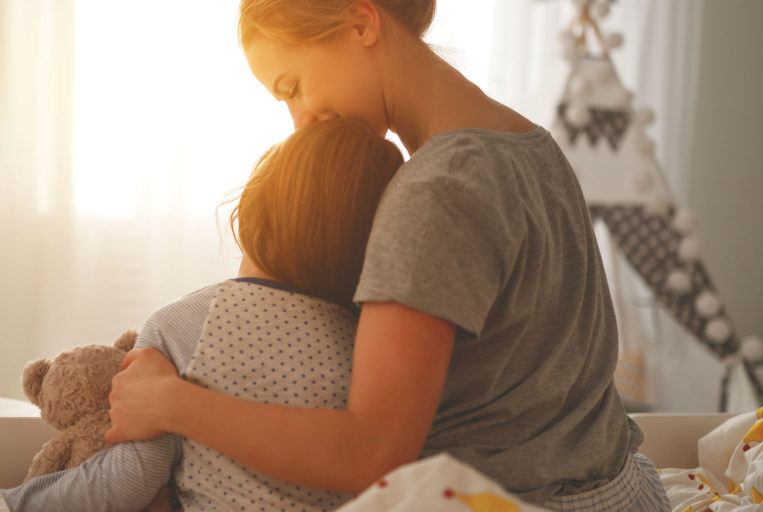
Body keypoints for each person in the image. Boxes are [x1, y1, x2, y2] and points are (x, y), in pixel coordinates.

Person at [103, 1, 671, 511]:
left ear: (360, 22)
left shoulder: (435, 190)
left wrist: (170, 402)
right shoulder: (531, 144)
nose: (299, 120)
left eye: (293, 85)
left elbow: (370, 452)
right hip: (619, 488)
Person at [0, 117, 403, 511]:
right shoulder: (371, 341)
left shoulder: (181, 325)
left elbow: (129, 480)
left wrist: (15, 502)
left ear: (250, 205)